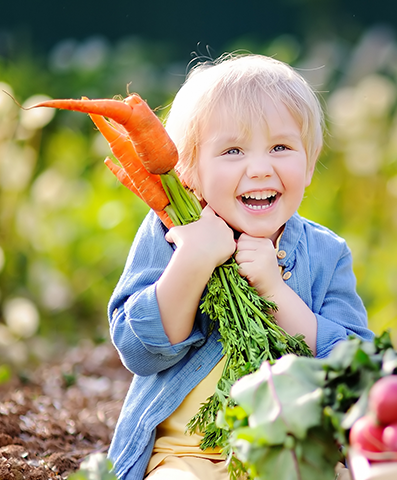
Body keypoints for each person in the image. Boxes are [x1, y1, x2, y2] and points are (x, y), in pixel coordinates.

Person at [106, 53, 373, 480]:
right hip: (183, 455)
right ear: (189, 170)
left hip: (291, 452)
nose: (260, 168)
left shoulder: (327, 252)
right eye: (233, 150)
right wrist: (192, 261)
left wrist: (276, 292)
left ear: (309, 163)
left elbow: (356, 369)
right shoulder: (170, 234)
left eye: (281, 148)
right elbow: (139, 351)